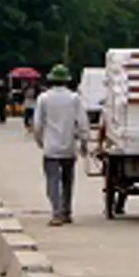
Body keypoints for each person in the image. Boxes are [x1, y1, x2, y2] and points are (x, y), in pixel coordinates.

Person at [32, 65, 89, 226]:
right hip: (69, 147)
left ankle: (56, 213)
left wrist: (40, 141)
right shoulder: (74, 98)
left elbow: (37, 124)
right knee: (67, 181)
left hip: (51, 148)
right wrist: (84, 142)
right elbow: (83, 123)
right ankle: (66, 211)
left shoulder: (43, 98)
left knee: (52, 181)